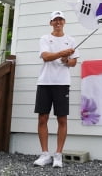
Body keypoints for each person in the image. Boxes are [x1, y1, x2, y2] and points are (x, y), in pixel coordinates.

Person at [34, 10, 77, 168]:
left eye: (61, 20)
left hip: (62, 83)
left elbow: (73, 63)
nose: (58, 22)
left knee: (62, 119)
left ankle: (58, 154)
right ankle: (45, 154)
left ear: (64, 22)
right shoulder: (45, 38)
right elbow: (45, 57)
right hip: (45, 82)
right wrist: (61, 53)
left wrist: (66, 59)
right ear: (51, 23)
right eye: (55, 20)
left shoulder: (71, 40)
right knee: (42, 118)